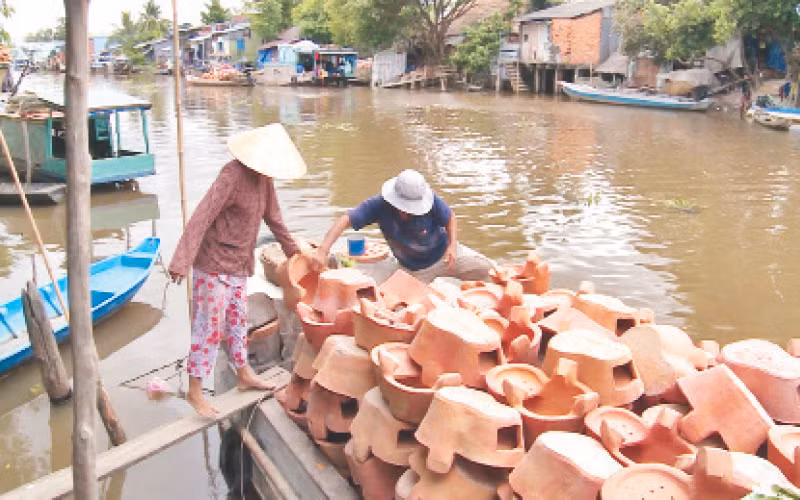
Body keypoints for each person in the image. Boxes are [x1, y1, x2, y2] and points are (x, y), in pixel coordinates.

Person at [168, 123, 306, 418]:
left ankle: (243, 374)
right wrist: (182, 258)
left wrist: (297, 255)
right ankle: (194, 391)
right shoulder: (232, 175)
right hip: (214, 263)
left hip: (240, 264)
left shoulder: (264, 182)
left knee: (236, 322)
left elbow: (276, 220)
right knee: (209, 328)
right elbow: (202, 215)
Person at [312, 169, 494, 284]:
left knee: (489, 269)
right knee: (377, 290)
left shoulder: (431, 200)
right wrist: (322, 250)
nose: (407, 212)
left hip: (445, 258)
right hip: (411, 269)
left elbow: (450, 217)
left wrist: (452, 246)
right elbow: (345, 219)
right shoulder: (378, 205)